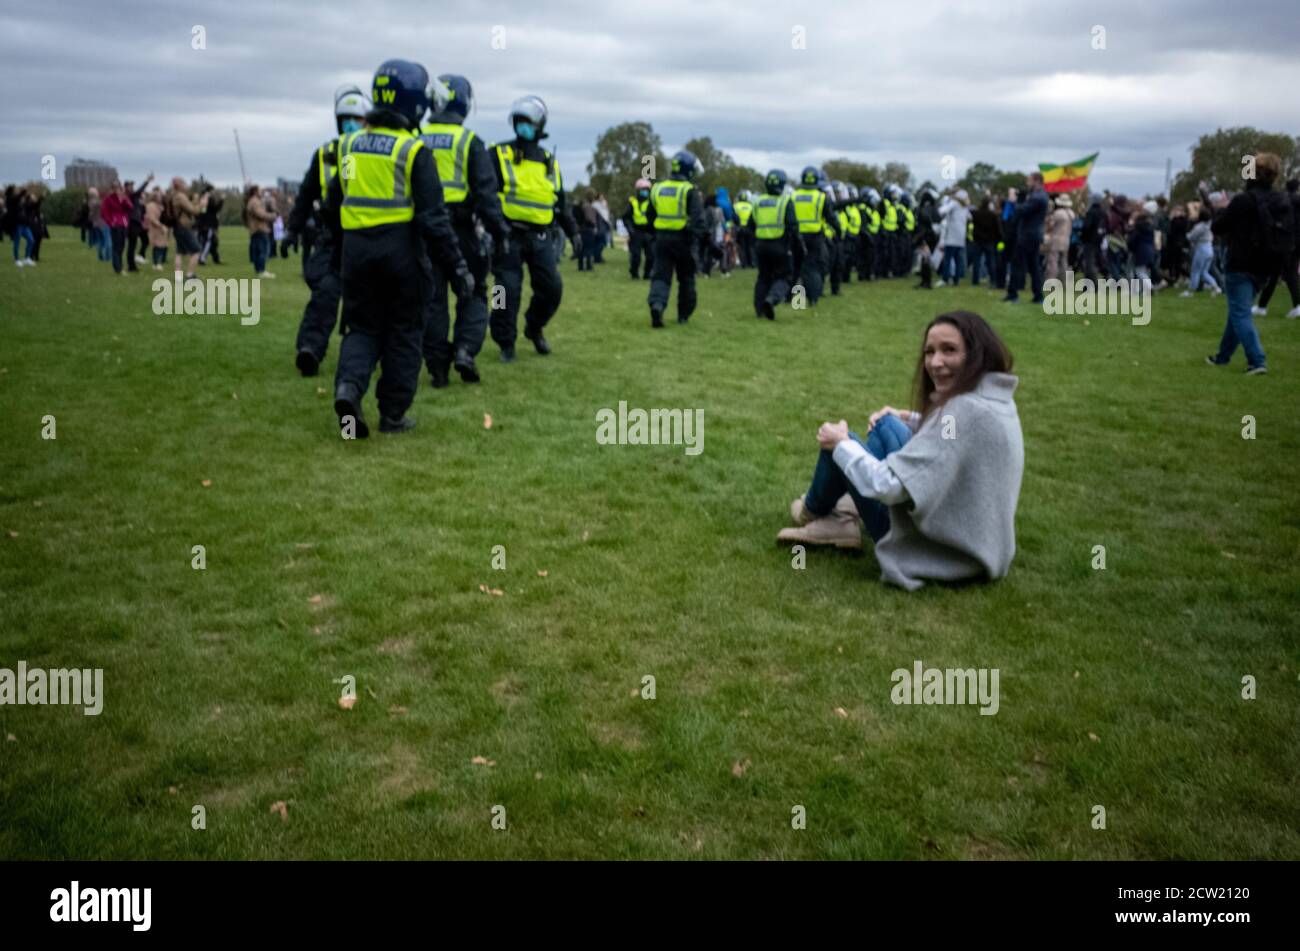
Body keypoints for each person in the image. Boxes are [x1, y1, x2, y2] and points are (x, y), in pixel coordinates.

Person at [776, 311, 1023, 590]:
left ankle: (815, 511)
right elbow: (951, 438)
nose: (935, 362)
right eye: (929, 352)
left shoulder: (964, 412)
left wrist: (841, 445)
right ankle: (845, 512)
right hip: (980, 545)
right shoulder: (992, 398)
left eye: (949, 350)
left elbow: (888, 485)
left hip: (936, 550)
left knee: (844, 445)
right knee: (886, 424)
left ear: (977, 353)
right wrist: (909, 417)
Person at [328, 58, 472, 436]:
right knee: (405, 332)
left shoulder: (348, 148)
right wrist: (457, 269)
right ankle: (392, 415)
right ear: (415, 104)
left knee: (361, 329)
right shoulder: (412, 151)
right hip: (401, 254)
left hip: (356, 255)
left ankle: (348, 389)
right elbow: (434, 220)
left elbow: (335, 202)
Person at [417, 73, 510, 387]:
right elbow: (486, 194)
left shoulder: (416, 138)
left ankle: (437, 369)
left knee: (433, 300)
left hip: (424, 232)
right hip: (461, 231)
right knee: (474, 292)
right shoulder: (469, 141)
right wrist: (499, 231)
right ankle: (466, 351)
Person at [488, 95, 577, 361]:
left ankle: (534, 327)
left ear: (539, 125)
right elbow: (486, 193)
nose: (522, 127)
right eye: (519, 121)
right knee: (505, 290)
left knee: (551, 287)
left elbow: (559, 202)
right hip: (508, 234)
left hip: (540, 236)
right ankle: (505, 342)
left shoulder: (550, 161)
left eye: (528, 122)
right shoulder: (497, 154)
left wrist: (573, 231)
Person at [290, 84, 370, 376]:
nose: (349, 124)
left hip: (363, 234)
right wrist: (292, 230)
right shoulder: (324, 154)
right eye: (345, 119)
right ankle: (310, 348)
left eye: (356, 119)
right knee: (324, 293)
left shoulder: (372, 153)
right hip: (333, 235)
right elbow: (305, 194)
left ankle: (366, 353)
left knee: (368, 300)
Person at [1206, 152, 1292, 374]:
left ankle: (1257, 359)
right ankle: (1223, 356)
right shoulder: (1282, 200)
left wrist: (1222, 209)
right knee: (1238, 310)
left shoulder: (1244, 200)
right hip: (1267, 263)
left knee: (1240, 312)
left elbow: (1218, 227)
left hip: (1241, 261)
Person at [646, 149, 706, 328]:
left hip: (662, 239)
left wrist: (655, 233)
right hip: (683, 239)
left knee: (661, 276)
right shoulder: (689, 190)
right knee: (686, 278)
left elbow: (650, 215)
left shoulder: (657, 188)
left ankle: (657, 305)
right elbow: (698, 220)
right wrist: (698, 239)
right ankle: (683, 315)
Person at [748, 168, 805, 320]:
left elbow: (750, 225)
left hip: (761, 246)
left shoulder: (758, 201)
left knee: (763, 277)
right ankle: (772, 299)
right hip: (780, 245)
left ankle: (759, 310)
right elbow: (793, 226)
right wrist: (799, 246)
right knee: (785, 276)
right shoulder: (785, 201)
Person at [1253, 178, 1300, 318]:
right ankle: (1264, 305)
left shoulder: (1285, 201)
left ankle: (1263, 306)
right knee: (1288, 273)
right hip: (1296, 242)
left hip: (1286, 241)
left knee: (1278, 273)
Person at [1003, 172, 1048, 303]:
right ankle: (1038, 295)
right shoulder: (1040, 196)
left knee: (1018, 263)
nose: (1027, 183)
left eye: (1029, 180)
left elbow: (1022, 210)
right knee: (1033, 266)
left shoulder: (1037, 197)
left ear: (1036, 181)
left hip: (1028, 235)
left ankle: (1013, 293)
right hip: (1033, 234)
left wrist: (1013, 201)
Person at [792, 167, 833, 304]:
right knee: (813, 268)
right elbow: (831, 217)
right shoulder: (821, 197)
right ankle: (813, 298)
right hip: (815, 237)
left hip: (797, 236)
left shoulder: (793, 196)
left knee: (798, 267)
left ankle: (798, 300)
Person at [1180, 207, 1221, 297]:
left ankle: (1190, 291)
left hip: (1201, 249)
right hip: (1210, 248)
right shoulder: (1210, 224)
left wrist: (1186, 234)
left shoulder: (1200, 227)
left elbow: (1191, 237)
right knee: (1204, 272)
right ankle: (1216, 287)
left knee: (1195, 271)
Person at [168, 177, 203, 280]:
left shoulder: (173, 195)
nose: (186, 185)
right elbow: (193, 210)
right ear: (180, 185)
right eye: (184, 182)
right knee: (196, 251)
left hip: (177, 227)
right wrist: (201, 204)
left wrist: (195, 200)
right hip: (183, 226)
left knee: (180, 252)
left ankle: (178, 278)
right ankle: (190, 275)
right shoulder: (180, 196)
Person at [936, 189, 970, 286]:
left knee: (948, 259)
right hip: (961, 237)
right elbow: (970, 217)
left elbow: (942, 210)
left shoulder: (954, 203)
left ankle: (945, 279)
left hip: (952, 236)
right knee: (958, 260)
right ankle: (956, 280)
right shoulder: (965, 207)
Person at [621, 178, 654, 279]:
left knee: (651, 256)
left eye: (647, 190)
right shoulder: (632, 203)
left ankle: (647, 274)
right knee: (635, 256)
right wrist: (630, 230)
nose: (645, 192)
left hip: (649, 232)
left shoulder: (652, 203)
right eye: (643, 190)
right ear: (638, 190)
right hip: (636, 232)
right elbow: (626, 218)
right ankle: (634, 274)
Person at [242, 183, 277, 277]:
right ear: (255, 191)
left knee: (257, 251)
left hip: (255, 229)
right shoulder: (255, 202)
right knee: (263, 250)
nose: (262, 192)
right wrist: (273, 216)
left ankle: (259, 271)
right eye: (260, 190)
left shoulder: (253, 201)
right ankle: (261, 271)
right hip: (259, 229)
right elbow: (261, 214)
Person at [100, 181, 133, 275]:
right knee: (116, 246)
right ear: (112, 189)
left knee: (122, 246)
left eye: (118, 187)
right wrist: (111, 222)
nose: (117, 189)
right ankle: (118, 268)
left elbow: (130, 207)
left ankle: (120, 266)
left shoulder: (124, 198)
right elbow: (104, 213)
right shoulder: (108, 199)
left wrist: (124, 199)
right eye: (115, 188)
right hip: (115, 225)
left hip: (124, 224)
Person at [123, 175, 153, 271]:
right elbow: (139, 191)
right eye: (130, 186)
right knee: (132, 245)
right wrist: (147, 181)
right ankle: (131, 265)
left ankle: (132, 265)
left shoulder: (134, 197)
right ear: (126, 187)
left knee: (133, 244)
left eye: (132, 185)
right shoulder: (129, 196)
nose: (132, 187)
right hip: (132, 223)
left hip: (136, 222)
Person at [1044, 195, 1075, 284]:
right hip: (1066, 239)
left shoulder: (1058, 213)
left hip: (1056, 239)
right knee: (1064, 262)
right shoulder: (1071, 214)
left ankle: (1050, 281)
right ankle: (1065, 281)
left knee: (1053, 261)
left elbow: (1050, 225)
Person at [970, 194, 999, 286]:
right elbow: (997, 229)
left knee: (976, 262)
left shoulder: (975, 213)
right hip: (989, 241)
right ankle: (993, 279)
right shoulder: (993, 215)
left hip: (978, 240)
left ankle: (975, 280)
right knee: (991, 262)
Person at [4, 185, 36, 267]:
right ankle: (17, 259)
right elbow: (17, 198)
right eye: (15, 190)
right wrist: (23, 191)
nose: (16, 190)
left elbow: (24, 203)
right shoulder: (10, 199)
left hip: (24, 224)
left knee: (31, 240)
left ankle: (27, 258)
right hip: (17, 225)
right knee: (17, 242)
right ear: (11, 191)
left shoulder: (17, 200)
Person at [144, 188, 170, 270]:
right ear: (154, 197)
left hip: (161, 227)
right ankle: (156, 263)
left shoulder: (160, 205)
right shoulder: (151, 205)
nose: (160, 198)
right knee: (157, 246)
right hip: (155, 228)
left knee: (162, 245)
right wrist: (160, 226)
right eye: (158, 196)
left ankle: (160, 262)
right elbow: (152, 218)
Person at [733, 189, 755, 268]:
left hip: (740, 228)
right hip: (749, 228)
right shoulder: (751, 206)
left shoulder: (736, 206)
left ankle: (744, 264)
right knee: (750, 246)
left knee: (742, 247)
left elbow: (734, 217)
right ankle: (752, 262)